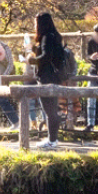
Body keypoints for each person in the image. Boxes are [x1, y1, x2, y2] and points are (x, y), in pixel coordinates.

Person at [29, 12, 72, 148]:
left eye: (36, 23)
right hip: (55, 76)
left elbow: (46, 57)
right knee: (51, 109)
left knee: (49, 110)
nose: (35, 25)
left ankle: (52, 140)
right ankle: (52, 139)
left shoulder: (46, 37)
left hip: (47, 77)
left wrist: (31, 60)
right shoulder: (55, 36)